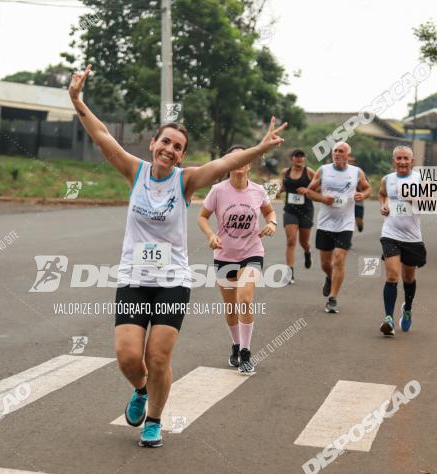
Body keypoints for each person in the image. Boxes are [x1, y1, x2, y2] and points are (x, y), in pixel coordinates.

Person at [69, 64, 287, 448]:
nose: (170, 150)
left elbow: (223, 164)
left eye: (178, 147)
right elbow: (102, 136)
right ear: (153, 143)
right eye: (165, 142)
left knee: (157, 358)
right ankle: (140, 391)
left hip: (172, 283)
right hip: (135, 280)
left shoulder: (184, 181)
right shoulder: (134, 171)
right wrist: (76, 99)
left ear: (182, 155)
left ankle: (154, 420)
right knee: (127, 356)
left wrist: (261, 147)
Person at [198, 145, 276, 375]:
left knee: (244, 298)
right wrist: (211, 235)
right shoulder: (218, 191)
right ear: (228, 163)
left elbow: (270, 212)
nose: (240, 162)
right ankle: (235, 344)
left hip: (251, 252)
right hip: (224, 255)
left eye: (244, 158)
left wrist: (271, 223)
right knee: (231, 305)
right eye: (234, 158)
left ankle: (245, 352)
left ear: (249, 163)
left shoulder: (258, 190)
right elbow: (202, 217)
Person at [304, 142, 372, 313]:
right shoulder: (323, 170)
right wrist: (322, 199)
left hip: (345, 223)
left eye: (341, 151)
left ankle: (332, 298)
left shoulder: (356, 172)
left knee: (339, 259)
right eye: (335, 151)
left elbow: (368, 188)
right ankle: (329, 277)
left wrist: (362, 194)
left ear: (347, 155)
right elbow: (309, 191)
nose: (337, 154)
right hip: (325, 222)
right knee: (326, 263)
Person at [377, 146, 426, 336]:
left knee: (409, 278)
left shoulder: (420, 179)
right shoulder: (387, 180)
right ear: (393, 160)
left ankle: (407, 307)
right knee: (392, 276)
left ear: (412, 161)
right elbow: (382, 194)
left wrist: (415, 197)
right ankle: (388, 319)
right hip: (390, 234)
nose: (402, 162)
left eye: (406, 158)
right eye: (399, 158)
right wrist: (383, 205)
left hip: (412, 237)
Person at [280, 149, 314, 283]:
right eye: (296, 156)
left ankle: (307, 251)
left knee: (303, 242)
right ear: (292, 158)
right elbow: (283, 186)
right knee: (291, 241)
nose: (299, 159)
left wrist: (307, 190)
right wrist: (277, 191)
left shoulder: (309, 172)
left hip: (306, 211)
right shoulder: (285, 172)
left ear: (304, 159)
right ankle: (289, 273)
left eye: (301, 156)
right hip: (290, 210)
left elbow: (320, 187)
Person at [349, 154, 367, 233]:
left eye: (351, 161)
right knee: (347, 221)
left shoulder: (359, 172)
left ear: (355, 163)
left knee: (358, 221)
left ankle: (360, 225)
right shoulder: (341, 171)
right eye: (348, 161)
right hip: (346, 202)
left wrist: (361, 192)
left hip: (357, 201)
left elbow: (366, 188)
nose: (350, 163)